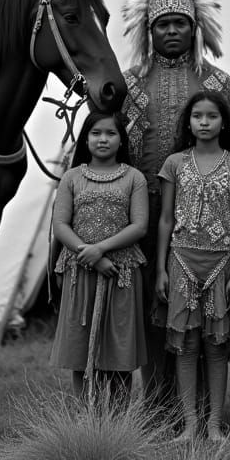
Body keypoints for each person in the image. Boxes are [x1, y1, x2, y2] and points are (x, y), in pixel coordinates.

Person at [120, 0, 230, 406]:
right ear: (148, 31)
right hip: (144, 218)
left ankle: (203, 408)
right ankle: (155, 403)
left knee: (203, 312)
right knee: (155, 305)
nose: (172, 31)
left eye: (180, 23)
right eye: (163, 24)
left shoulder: (219, 84)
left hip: (206, 223)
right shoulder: (129, 84)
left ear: (196, 29)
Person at [154, 90, 230, 442]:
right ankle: (190, 424)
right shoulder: (175, 163)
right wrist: (161, 269)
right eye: (198, 116)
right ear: (189, 122)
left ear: (224, 121)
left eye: (212, 116)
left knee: (216, 346)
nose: (205, 122)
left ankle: (214, 425)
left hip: (221, 262)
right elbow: (165, 219)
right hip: (180, 259)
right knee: (186, 344)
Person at [49, 109, 149, 409]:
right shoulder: (71, 177)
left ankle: (118, 422)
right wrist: (90, 256)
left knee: (119, 350)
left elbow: (139, 226)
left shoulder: (134, 178)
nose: (103, 139)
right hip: (80, 271)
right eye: (96, 133)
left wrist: (101, 249)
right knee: (81, 349)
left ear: (121, 140)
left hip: (121, 272)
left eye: (110, 133)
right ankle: (85, 417)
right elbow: (60, 225)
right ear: (86, 138)